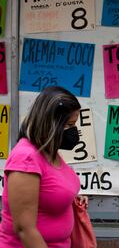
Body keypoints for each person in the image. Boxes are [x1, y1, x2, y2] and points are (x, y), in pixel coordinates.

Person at [0, 86, 88, 248]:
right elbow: (24, 229)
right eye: (68, 125)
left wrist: (71, 197)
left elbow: (48, 191)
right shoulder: (26, 158)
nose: (73, 131)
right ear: (49, 123)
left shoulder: (50, 151)